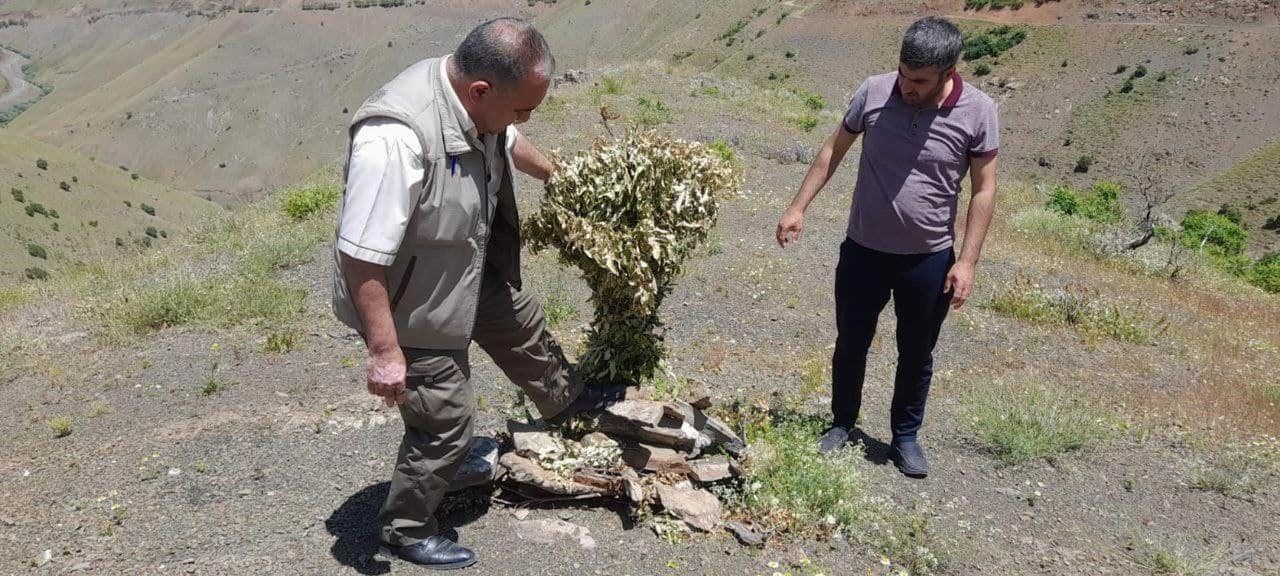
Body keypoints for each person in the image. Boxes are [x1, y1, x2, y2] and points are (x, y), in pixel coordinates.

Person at [332, 18, 618, 569]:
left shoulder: (476, 100)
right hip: (408, 302)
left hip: (462, 266)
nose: (523, 120)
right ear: (480, 92)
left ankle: (567, 405)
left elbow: (508, 139)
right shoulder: (396, 137)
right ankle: (407, 526)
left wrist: (560, 177)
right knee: (444, 417)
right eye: (521, 109)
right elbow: (361, 256)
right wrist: (386, 352)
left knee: (523, 324)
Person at [775, 16, 999, 478]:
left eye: (918, 81)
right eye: (902, 73)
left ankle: (905, 437)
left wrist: (969, 262)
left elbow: (983, 189)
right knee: (851, 342)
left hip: (929, 259)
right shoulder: (874, 91)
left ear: (948, 74)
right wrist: (798, 207)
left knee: (916, 353)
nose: (906, 86)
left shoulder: (979, 111)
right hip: (862, 251)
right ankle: (841, 423)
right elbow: (832, 150)